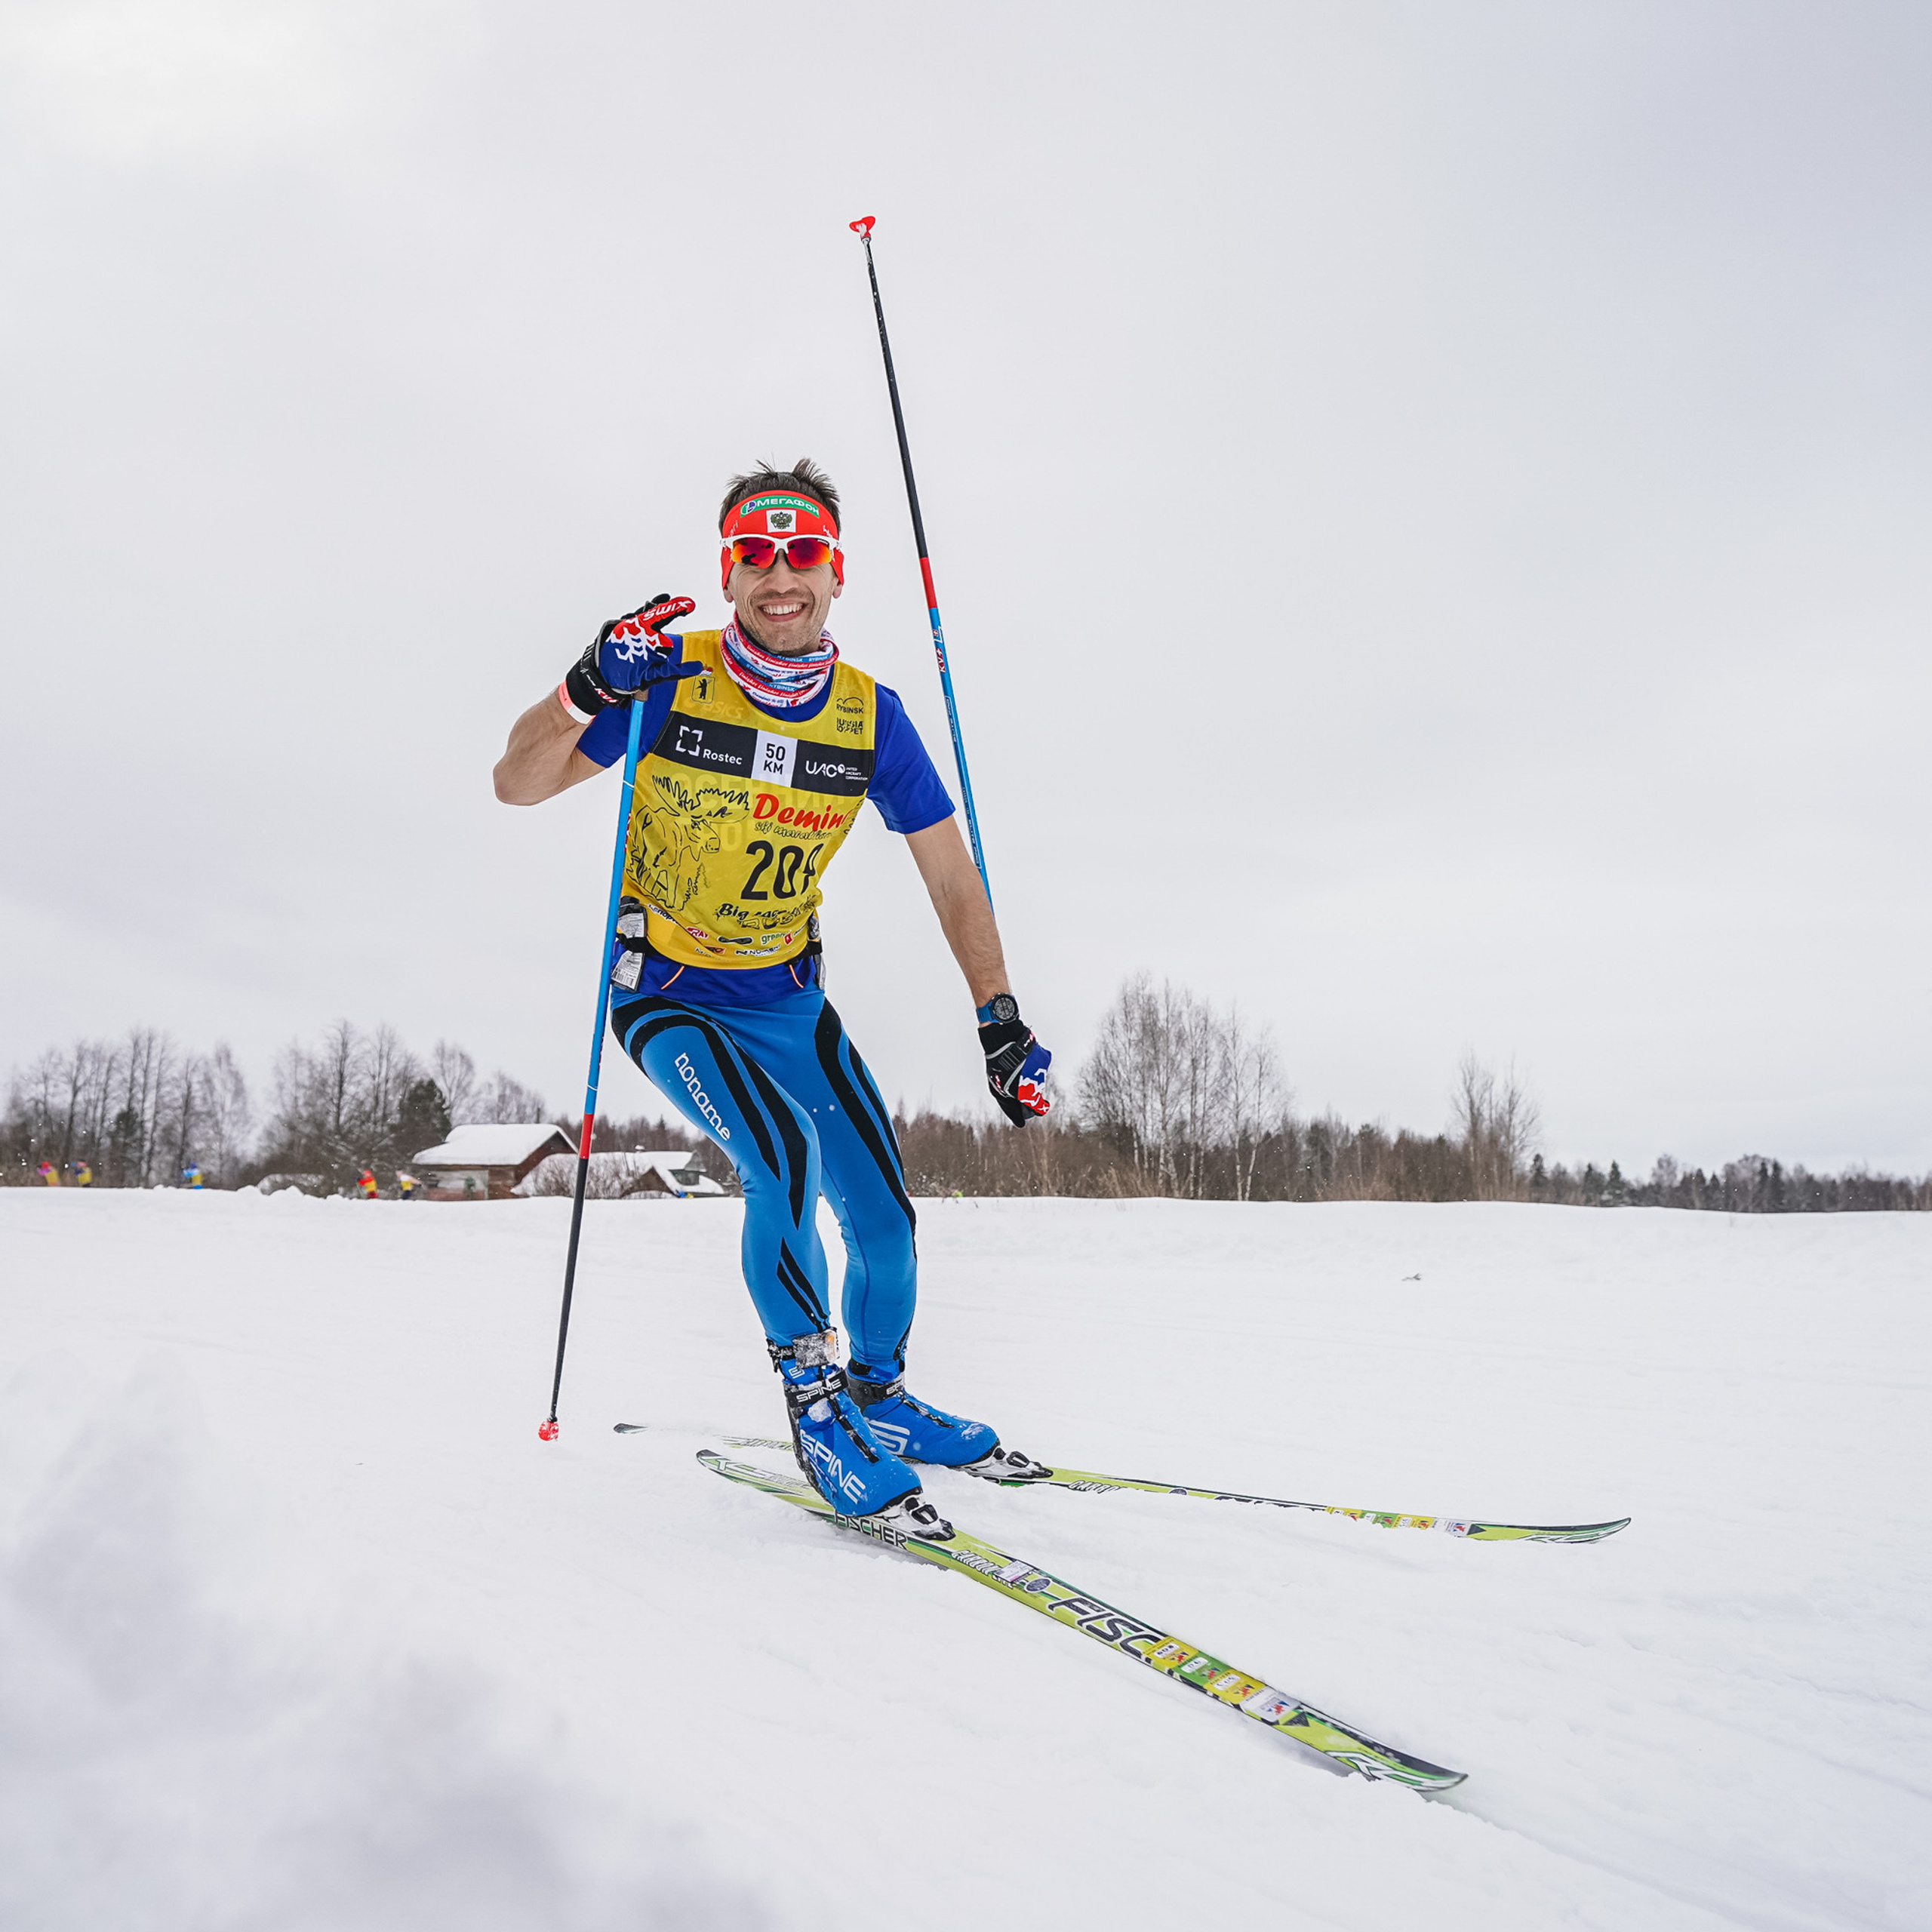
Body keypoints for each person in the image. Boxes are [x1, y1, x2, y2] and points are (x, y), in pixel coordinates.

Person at [494, 459, 1052, 1537]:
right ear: (729, 569)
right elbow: (517, 780)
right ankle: (815, 1406)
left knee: (885, 1222)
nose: (779, 576)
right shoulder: (666, 678)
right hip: (668, 995)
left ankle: (881, 1402)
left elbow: (949, 870)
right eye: (756, 554)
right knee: (781, 1164)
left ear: (835, 572)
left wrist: (999, 1017)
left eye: (802, 554)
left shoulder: (869, 720)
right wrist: (583, 688)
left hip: (790, 999)